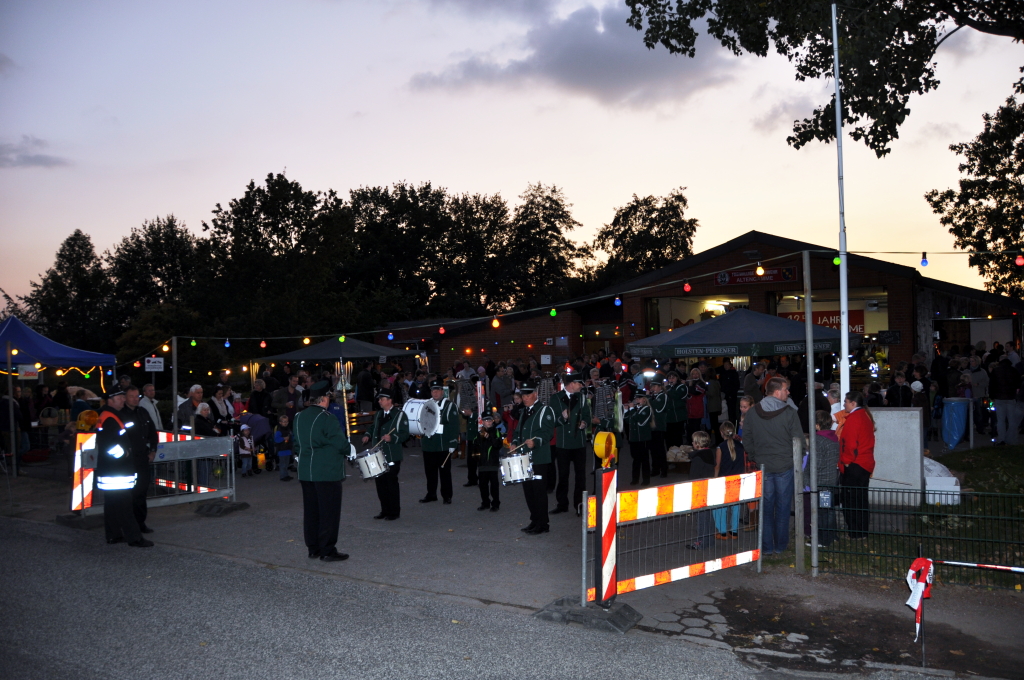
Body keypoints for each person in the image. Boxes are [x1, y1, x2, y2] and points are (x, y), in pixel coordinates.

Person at [742, 376, 803, 555]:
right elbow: (798, 440)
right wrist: (796, 459)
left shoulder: (752, 413)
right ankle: (780, 546)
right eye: (786, 389)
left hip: (763, 466)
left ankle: (767, 547)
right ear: (777, 392)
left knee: (766, 508)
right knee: (783, 508)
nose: (788, 392)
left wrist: (755, 456)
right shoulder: (789, 412)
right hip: (785, 466)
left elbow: (747, 439)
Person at [294, 381, 350, 562]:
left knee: (311, 512)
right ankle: (327, 549)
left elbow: (296, 444)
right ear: (324, 399)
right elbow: (340, 443)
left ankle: (313, 547)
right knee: (329, 513)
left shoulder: (298, 417)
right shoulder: (327, 418)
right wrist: (350, 449)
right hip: (326, 472)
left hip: (305, 471)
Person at [95, 389, 152, 548]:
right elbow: (109, 445)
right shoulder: (110, 418)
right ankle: (135, 538)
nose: (122, 400)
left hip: (111, 471)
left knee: (112, 505)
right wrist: (125, 454)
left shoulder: (108, 416)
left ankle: (113, 535)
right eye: (119, 398)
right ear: (110, 400)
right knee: (125, 506)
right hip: (117, 471)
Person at [512, 379, 556, 535]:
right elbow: (518, 432)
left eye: (528, 394)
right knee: (528, 491)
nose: (525, 398)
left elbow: (548, 432)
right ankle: (534, 520)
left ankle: (543, 523)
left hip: (539, 457)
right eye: (523, 395)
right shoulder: (523, 411)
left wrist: (535, 442)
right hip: (524, 458)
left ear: (535, 394)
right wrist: (514, 443)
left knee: (538, 491)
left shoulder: (545, 410)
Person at [362, 387, 410, 520]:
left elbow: (405, 434)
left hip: (391, 454)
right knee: (380, 484)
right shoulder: (378, 414)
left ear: (390, 400)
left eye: (382, 399)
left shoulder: (400, 415)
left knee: (391, 483)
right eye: (379, 399)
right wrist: (367, 434)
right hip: (377, 454)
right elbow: (373, 427)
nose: (379, 401)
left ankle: (394, 512)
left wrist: (393, 438)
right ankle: (384, 509)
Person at [551, 374, 591, 517]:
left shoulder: (581, 397)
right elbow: (552, 421)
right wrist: (563, 418)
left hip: (579, 442)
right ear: (572, 384)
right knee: (563, 475)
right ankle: (562, 504)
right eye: (579, 383)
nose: (581, 386)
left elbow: (587, 414)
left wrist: (585, 423)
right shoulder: (555, 398)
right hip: (563, 443)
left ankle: (579, 505)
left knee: (581, 476)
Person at [839, 391, 875, 540]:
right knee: (860, 500)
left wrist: (846, 461)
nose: (844, 404)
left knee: (850, 500)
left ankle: (854, 532)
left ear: (853, 403)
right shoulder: (865, 416)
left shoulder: (854, 418)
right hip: (864, 464)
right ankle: (862, 532)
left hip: (855, 464)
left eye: (846, 401)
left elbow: (850, 443)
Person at [123, 386, 157, 533]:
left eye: (137, 396)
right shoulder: (121, 414)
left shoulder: (142, 412)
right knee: (130, 494)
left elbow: (152, 432)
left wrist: (153, 450)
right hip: (128, 461)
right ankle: (129, 525)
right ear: (125, 398)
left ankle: (140, 523)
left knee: (142, 492)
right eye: (132, 396)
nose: (135, 399)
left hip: (143, 458)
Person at [419, 379, 457, 504]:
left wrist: (452, 443)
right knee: (430, 472)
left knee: (444, 472)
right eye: (433, 390)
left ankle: (447, 496)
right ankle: (431, 494)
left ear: (442, 391)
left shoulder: (449, 405)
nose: (435, 392)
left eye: (437, 390)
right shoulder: (426, 404)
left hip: (443, 444)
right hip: (429, 444)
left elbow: (453, 426)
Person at [809, 410, 840, 547]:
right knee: (828, 510)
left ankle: (823, 540)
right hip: (831, 480)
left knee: (822, 512)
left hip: (821, 482)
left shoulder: (818, 440)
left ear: (817, 425)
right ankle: (832, 535)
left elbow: (817, 463)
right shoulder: (833, 438)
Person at [713, 421, 746, 539]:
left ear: (721, 433)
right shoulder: (740, 446)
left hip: (724, 480)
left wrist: (715, 478)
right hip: (737, 479)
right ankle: (734, 531)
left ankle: (722, 531)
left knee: (720, 506)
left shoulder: (720, 447)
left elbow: (717, 465)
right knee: (736, 506)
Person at [686, 430, 717, 550]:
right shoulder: (709, 454)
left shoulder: (698, 459)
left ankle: (701, 541)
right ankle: (709, 540)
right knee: (708, 515)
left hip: (699, 490)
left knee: (701, 517)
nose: (692, 443)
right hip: (708, 488)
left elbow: (693, 476)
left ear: (697, 444)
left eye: (693, 441)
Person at [624, 389, 653, 487]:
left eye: (639, 398)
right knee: (635, 460)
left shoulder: (647, 409)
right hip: (634, 439)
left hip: (643, 438)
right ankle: (635, 479)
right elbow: (627, 420)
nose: (636, 400)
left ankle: (646, 479)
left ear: (644, 399)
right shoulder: (635, 409)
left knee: (644, 460)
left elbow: (640, 421)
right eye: (636, 398)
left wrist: (632, 410)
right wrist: (626, 410)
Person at [990, 357, 1022, 445]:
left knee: (1001, 420)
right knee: (1012, 420)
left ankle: (1001, 439)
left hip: (999, 397)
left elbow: (992, 384)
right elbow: (1018, 383)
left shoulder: (996, 371)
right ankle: (1011, 439)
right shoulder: (1013, 370)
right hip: (1011, 397)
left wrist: (992, 396)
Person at [476, 412, 502, 511]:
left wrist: (489, 437)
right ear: (483, 422)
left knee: (494, 485)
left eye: (490, 420)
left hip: (492, 462)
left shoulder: (496, 431)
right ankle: (485, 502)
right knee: (482, 484)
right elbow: (475, 446)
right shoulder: (479, 433)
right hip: (482, 463)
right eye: (486, 420)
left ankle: (495, 503)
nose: (489, 422)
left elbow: (497, 445)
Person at [647, 378, 669, 479]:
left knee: (660, 449)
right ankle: (655, 468)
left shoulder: (663, 396)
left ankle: (664, 469)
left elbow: (658, 409)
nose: (653, 388)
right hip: (651, 426)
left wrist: (649, 399)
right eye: (652, 386)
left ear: (660, 387)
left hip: (659, 425)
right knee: (653, 449)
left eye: (655, 386)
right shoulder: (653, 397)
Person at [274, 414, 293, 481]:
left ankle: (286, 475)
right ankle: (282, 476)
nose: (285, 423)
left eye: (286, 421)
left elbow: (292, 438)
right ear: (280, 422)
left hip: (288, 449)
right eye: (283, 421)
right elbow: (276, 440)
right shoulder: (279, 431)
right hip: (281, 450)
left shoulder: (289, 430)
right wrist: (283, 438)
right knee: (282, 464)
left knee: (287, 464)